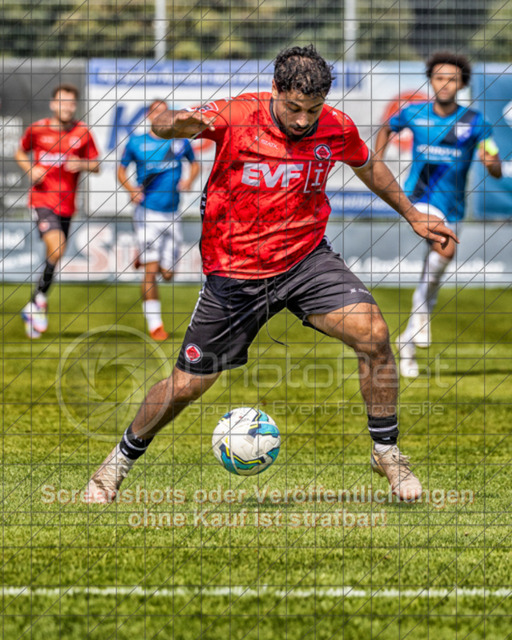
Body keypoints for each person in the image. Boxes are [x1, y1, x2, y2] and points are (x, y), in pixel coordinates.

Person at [85, 45, 458, 505]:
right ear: (276, 90)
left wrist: (412, 214)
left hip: (306, 260)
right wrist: (169, 123)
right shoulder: (237, 115)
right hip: (235, 273)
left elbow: (369, 166)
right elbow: (168, 124)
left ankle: (386, 452)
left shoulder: (336, 126)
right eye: (294, 108)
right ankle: (116, 464)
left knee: (374, 334)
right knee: (186, 386)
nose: (303, 120)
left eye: (312, 110)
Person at [375, 51, 502, 377]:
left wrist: (492, 163)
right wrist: (376, 159)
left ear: (462, 84)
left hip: (453, 206)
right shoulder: (414, 113)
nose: (445, 83)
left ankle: (408, 342)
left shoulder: (475, 122)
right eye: (439, 77)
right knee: (446, 246)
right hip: (419, 199)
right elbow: (387, 127)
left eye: (452, 79)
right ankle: (418, 325)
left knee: (431, 278)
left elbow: (494, 163)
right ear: (431, 80)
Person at [15, 84, 100, 339]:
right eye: (62, 102)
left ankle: (35, 303)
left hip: (67, 205)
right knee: (58, 246)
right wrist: (30, 169)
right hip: (42, 200)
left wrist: (82, 163)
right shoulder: (37, 129)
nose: (67, 107)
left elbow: (96, 165)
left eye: (71, 103)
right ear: (53, 104)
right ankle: (37, 302)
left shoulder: (82, 132)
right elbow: (20, 151)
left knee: (55, 254)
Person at [118, 99, 200, 340]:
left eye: (165, 113)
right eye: (157, 113)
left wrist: (189, 180)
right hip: (147, 213)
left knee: (168, 273)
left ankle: (141, 256)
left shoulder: (180, 142)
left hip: (172, 213)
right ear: (149, 116)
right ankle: (156, 325)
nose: (161, 117)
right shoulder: (136, 142)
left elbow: (195, 165)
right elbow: (120, 170)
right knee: (151, 272)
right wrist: (131, 189)